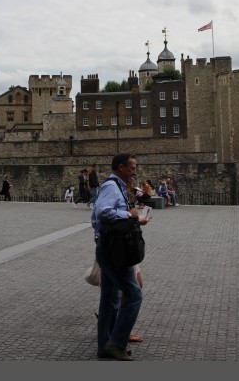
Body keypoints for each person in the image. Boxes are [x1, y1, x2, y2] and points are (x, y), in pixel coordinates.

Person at [91, 153, 149, 361]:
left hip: (110, 248)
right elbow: (102, 212)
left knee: (110, 299)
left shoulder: (118, 187)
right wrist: (129, 215)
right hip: (113, 250)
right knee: (134, 295)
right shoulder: (110, 186)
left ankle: (104, 346)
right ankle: (116, 343)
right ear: (121, 168)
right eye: (132, 167)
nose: (134, 171)